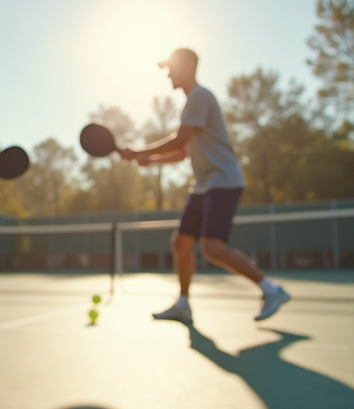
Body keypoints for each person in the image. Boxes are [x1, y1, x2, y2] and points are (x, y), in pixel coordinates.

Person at [120, 48, 291, 322]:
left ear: (188, 66)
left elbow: (178, 139)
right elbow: (183, 152)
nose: (167, 75)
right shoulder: (192, 103)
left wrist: (141, 152)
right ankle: (184, 304)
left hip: (222, 181)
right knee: (181, 243)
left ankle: (272, 290)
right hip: (203, 185)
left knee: (211, 248)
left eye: (171, 68)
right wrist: (150, 161)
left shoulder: (200, 96)